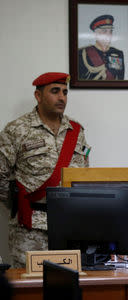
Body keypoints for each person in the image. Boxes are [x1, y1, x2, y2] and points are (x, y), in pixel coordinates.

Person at [0, 72, 90, 268]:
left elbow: (84, 174)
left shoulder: (76, 130)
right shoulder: (16, 130)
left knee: (69, 284)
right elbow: (1, 177)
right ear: (38, 96)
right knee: (29, 289)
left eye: (65, 92)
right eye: (55, 91)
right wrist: (20, 205)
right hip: (30, 230)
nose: (62, 98)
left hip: (70, 226)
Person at [78, 14, 125, 80]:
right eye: (104, 31)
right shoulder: (83, 53)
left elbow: (120, 80)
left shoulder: (118, 53)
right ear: (95, 34)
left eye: (110, 31)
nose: (108, 35)